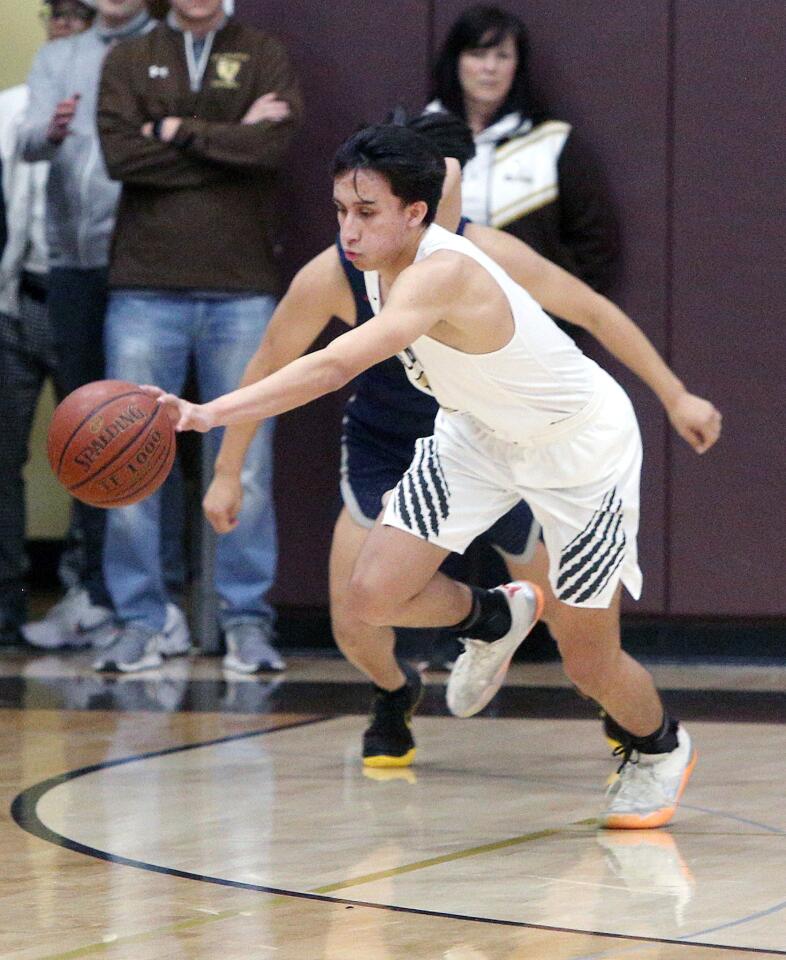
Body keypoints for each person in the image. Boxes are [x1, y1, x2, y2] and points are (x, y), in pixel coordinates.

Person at [153, 124, 722, 829]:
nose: (348, 230)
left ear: (416, 212)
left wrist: (208, 414)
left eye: (366, 213)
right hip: (475, 434)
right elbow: (289, 349)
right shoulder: (360, 265)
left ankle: (658, 745)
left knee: (588, 662)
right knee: (370, 595)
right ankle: (492, 615)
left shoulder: (448, 269)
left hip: (579, 451)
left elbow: (333, 366)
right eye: (340, 212)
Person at [93, 0, 302, 674]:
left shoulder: (263, 51)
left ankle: (245, 619)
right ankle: (141, 621)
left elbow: (271, 148)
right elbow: (122, 157)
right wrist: (226, 138)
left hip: (241, 288)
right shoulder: (128, 55)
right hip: (144, 286)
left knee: (249, 464)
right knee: (128, 460)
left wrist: (177, 129)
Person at [17, 0, 158, 650]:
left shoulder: (160, 44)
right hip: (73, 265)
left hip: (144, 259)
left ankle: (154, 597)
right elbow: (28, 143)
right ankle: (93, 590)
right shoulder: (57, 56)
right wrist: (50, 128)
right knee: (88, 433)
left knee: (148, 433)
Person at [0, 0, 96, 648]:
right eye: (55, 16)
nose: (64, 27)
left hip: (83, 299)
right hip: (16, 298)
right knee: (4, 459)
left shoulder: (112, 105)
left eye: (78, 16)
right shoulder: (9, 108)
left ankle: (85, 597)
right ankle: (6, 605)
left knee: (98, 457)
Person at [428, 4, 618, 293]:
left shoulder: (552, 143)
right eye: (478, 54)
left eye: (502, 56)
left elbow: (596, 240)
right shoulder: (418, 140)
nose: (490, 67)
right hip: (431, 312)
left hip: (524, 323)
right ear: (455, 61)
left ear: (517, 66)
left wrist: (557, 312)